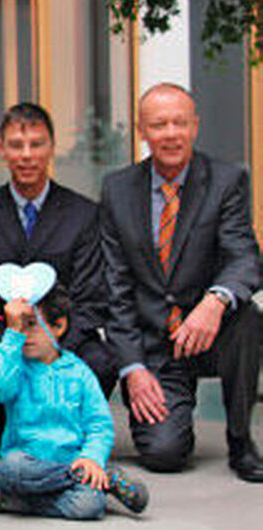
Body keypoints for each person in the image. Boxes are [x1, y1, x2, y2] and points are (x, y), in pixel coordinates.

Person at [100, 83, 263, 481]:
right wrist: (133, 369)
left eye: (179, 122)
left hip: (210, 333)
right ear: (142, 131)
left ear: (195, 127)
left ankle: (241, 440)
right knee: (165, 454)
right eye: (159, 124)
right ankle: (170, 407)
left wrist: (215, 301)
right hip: (156, 345)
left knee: (248, 320)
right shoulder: (118, 190)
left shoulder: (227, 180)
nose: (171, 133)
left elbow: (245, 256)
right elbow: (115, 289)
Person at [0, 287, 148, 519]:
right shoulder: (16, 368)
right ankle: (99, 479)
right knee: (11, 469)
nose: (25, 335)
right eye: (20, 326)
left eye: (31, 325)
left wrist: (92, 458)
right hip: (26, 465)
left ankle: (6, 500)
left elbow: (99, 424)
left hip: (71, 461)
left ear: (59, 326)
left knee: (90, 505)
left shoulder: (80, 373)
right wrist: (12, 333)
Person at [0, 103, 114, 398]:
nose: (27, 155)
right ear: (2, 150)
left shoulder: (84, 214)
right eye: (16, 145)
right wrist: (12, 340)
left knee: (101, 363)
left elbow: (91, 296)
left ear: (51, 147)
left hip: (64, 335)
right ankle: (4, 436)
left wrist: (51, 342)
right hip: (4, 336)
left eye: (36, 144)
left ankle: (72, 433)